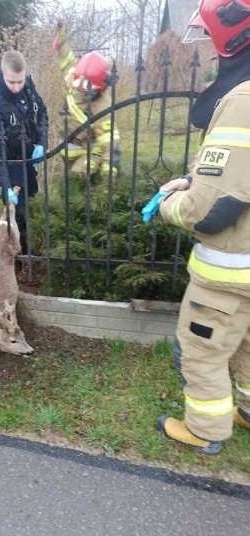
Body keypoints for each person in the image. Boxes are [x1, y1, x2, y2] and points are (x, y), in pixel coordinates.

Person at [154, 0, 250, 454]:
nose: (210, 54)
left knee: (201, 350)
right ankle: (248, 412)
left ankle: (205, 430)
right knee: (248, 347)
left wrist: (171, 202)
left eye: (212, 42)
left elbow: (210, 210)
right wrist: (194, 178)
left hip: (229, 273)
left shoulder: (241, 101)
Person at [0, 50, 48, 256]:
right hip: (9, 165)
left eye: (20, 81)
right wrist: (7, 186)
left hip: (30, 160)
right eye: (12, 82)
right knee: (18, 215)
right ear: (2, 74)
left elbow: (42, 114)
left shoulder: (29, 86)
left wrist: (41, 143)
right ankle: (20, 259)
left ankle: (34, 252)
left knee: (33, 204)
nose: (17, 88)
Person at [53, 21, 120, 178]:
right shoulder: (75, 76)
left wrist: (109, 170)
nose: (82, 92)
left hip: (89, 153)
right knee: (68, 185)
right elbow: (67, 61)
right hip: (69, 148)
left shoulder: (102, 105)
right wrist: (61, 43)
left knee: (77, 179)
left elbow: (109, 139)